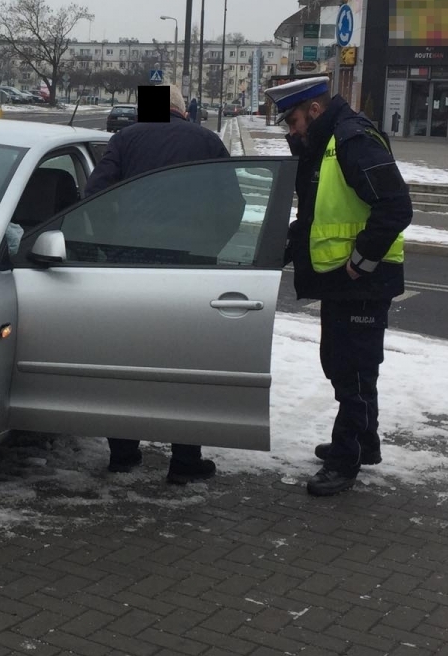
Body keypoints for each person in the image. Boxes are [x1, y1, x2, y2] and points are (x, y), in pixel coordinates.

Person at [266, 76, 412, 497]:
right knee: (342, 364)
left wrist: (361, 261)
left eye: (293, 120)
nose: (290, 131)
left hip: (362, 280)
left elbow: (396, 205)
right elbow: (316, 219)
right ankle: (365, 442)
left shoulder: (351, 140)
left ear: (314, 110)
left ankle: (344, 460)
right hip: (340, 281)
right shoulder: (325, 144)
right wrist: (281, 251)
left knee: (353, 372)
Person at [87, 82, 233, 485]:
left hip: (131, 267)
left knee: (126, 358)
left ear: (146, 110)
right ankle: (185, 460)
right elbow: (233, 204)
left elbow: (94, 193)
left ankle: (122, 452)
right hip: (190, 270)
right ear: (183, 110)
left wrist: (110, 247)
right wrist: (208, 247)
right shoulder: (207, 142)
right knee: (186, 364)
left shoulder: (125, 140)